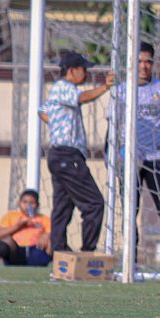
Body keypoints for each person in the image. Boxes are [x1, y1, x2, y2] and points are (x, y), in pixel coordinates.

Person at [114, 42, 160, 275]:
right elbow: (112, 128)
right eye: (140, 61)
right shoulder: (122, 90)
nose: (144, 66)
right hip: (129, 158)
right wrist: (110, 155)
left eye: (148, 61)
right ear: (132, 62)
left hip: (156, 158)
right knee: (129, 211)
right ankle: (130, 262)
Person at [40, 51, 113, 252]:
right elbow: (83, 97)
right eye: (84, 69)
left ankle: (59, 253)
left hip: (60, 155)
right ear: (71, 71)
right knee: (94, 203)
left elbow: (42, 110)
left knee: (62, 208)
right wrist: (106, 87)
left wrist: (57, 124)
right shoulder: (64, 87)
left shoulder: (58, 91)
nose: (87, 73)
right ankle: (88, 252)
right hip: (66, 154)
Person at [0, 189, 52, 267]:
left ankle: (60, 266)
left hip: (36, 252)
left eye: (31, 203)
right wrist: (18, 226)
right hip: (16, 253)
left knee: (52, 242)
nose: (28, 206)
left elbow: (51, 233)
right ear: (19, 203)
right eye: (25, 202)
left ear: (37, 205)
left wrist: (47, 235)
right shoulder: (11, 216)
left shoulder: (43, 219)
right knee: (6, 239)